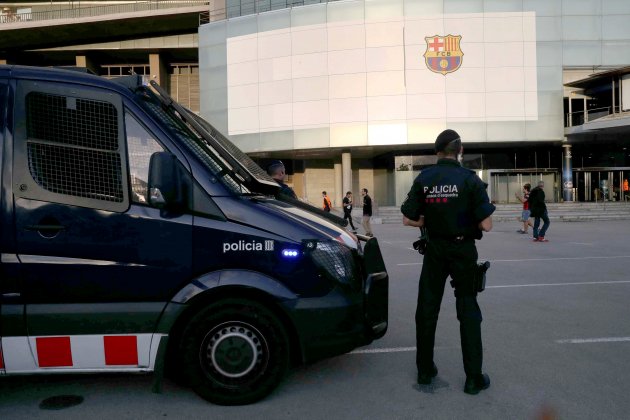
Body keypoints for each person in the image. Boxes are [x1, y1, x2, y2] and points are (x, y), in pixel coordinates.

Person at [400, 129, 495, 395]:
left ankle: (425, 370)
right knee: (468, 310)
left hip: (435, 250)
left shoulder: (425, 178)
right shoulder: (470, 180)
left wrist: (427, 220)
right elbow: (486, 225)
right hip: (463, 249)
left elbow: (407, 217)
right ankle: (473, 378)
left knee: (427, 309)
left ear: (437, 152)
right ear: (460, 150)